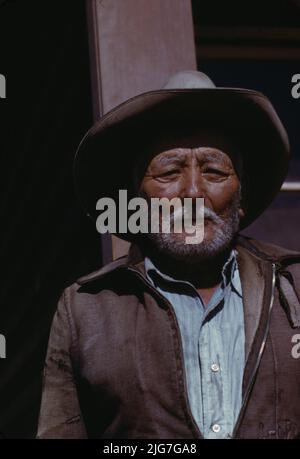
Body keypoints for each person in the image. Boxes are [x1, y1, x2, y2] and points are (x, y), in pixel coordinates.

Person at [37, 71, 300, 439]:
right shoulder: (86, 309)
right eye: (169, 172)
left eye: (214, 171)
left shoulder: (294, 286)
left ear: (241, 198)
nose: (193, 192)